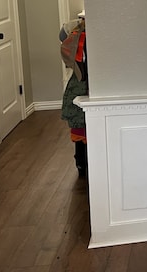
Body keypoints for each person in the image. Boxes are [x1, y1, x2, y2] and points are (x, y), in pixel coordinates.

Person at [59, 18, 88, 177]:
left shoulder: (75, 28)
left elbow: (61, 35)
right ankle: (85, 162)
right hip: (91, 82)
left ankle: (81, 163)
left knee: (79, 122)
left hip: (78, 82)